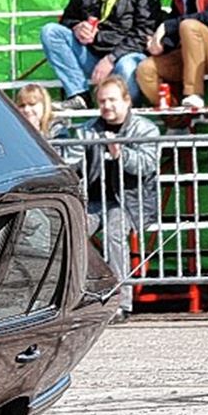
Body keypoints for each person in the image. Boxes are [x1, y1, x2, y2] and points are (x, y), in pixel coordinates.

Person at [65, 75, 160, 323]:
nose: (107, 106)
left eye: (112, 100)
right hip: (94, 201)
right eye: (102, 101)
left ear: (127, 101)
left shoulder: (145, 128)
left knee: (114, 233)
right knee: (71, 232)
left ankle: (120, 302)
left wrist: (122, 155)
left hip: (130, 201)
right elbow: (72, 163)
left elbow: (148, 165)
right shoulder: (89, 129)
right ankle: (78, 296)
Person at [40, 0, 161, 109]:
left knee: (128, 66)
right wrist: (76, 27)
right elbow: (67, 18)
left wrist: (111, 58)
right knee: (50, 32)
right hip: (91, 57)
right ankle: (79, 96)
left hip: (126, 57)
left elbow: (145, 32)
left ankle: (127, 113)